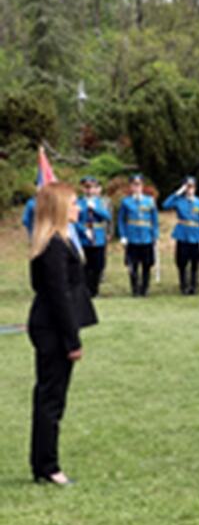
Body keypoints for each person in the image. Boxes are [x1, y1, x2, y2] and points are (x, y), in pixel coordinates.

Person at [27, 181, 98, 485]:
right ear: (58, 209)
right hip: (53, 329)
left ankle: (43, 462)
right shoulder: (54, 245)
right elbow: (58, 295)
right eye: (72, 203)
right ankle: (48, 465)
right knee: (51, 398)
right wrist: (72, 340)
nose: (78, 208)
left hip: (51, 325)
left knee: (50, 396)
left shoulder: (59, 241)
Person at [162, 176, 199, 295]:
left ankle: (193, 286)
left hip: (196, 234)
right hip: (183, 234)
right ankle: (183, 286)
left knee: (195, 263)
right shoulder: (179, 201)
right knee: (182, 262)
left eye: (191, 187)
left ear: (195, 188)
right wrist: (178, 192)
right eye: (187, 187)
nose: (189, 190)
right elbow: (165, 205)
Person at [118, 173, 159, 297]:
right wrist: (123, 235)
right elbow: (121, 220)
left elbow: (154, 220)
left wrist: (155, 235)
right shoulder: (126, 202)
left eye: (139, 185)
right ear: (131, 187)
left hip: (146, 237)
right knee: (132, 265)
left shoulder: (149, 201)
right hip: (132, 237)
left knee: (147, 265)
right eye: (134, 185)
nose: (137, 188)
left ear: (142, 186)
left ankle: (145, 288)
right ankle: (135, 289)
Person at [76, 176, 111, 297]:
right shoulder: (78, 202)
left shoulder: (100, 202)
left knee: (98, 265)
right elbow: (74, 220)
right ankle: (85, 290)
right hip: (84, 237)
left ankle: (95, 290)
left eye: (92, 187)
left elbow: (107, 217)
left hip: (98, 236)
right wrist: (83, 230)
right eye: (87, 187)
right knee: (86, 265)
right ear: (83, 189)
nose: (90, 190)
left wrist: (95, 208)